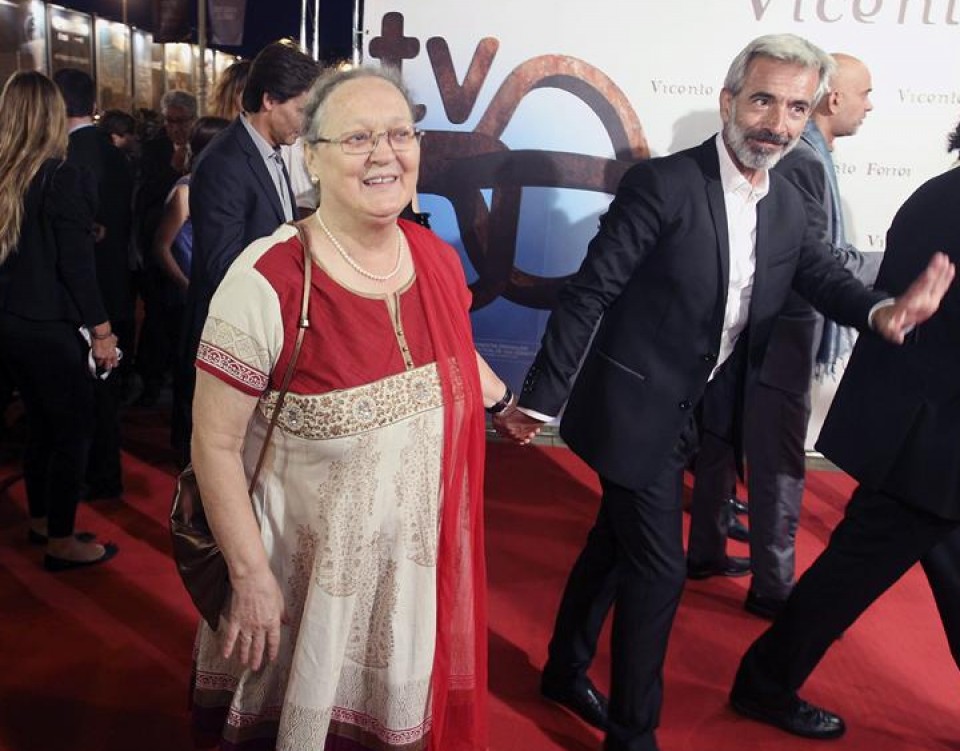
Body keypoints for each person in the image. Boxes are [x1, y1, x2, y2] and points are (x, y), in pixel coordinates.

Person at [493, 34, 954, 751]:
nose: (777, 121)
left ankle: (563, 668)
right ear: (729, 100)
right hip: (630, 407)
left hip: (698, 412)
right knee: (657, 567)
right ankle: (633, 734)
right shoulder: (665, 185)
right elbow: (590, 293)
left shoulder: (790, 201)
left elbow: (824, 277)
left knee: (613, 546)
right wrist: (540, 399)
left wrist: (881, 313)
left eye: (796, 107)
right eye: (764, 98)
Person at [189, 65, 501, 751]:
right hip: (298, 598)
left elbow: (455, 361)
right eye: (357, 138)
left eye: (399, 134)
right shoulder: (267, 280)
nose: (385, 154)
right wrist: (249, 577)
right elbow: (212, 445)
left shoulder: (436, 261)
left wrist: (509, 399)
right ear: (312, 156)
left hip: (408, 593)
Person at [732, 164, 960, 741]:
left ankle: (765, 679)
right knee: (852, 571)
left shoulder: (941, 189)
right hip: (930, 443)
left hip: (925, 435)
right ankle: (765, 681)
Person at [686, 53, 883, 619]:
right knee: (775, 466)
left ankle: (705, 553)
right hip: (776, 337)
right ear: (833, 98)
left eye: (794, 105)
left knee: (720, 445)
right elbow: (816, 262)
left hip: (755, 332)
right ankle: (773, 587)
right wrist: (882, 271)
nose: (871, 105)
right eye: (865, 93)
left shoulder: (807, 155)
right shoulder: (802, 160)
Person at [177, 40, 320, 460]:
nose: (306, 122)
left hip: (261, 331)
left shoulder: (271, 154)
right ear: (269, 99)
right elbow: (222, 264)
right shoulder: (224, 162)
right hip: (233, 336)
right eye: (301, 109)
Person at [0, 71, 120, 569]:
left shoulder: (9, 176)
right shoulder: (62, 176)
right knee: (71, 430)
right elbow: (76, 268)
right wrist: (103, 332)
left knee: (40, 427)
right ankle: (62, 539)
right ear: (51, 115)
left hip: (9, 323)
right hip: (51, 328)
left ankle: (43, 520)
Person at [54, 67, 135, 501]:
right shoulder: (112, 154)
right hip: (115, 283)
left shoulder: (69, 159)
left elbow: (80, 241)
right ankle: (105, 474)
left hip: (87, 295)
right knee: (104, 395)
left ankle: (98, 476)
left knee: (86, 397)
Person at [153, 115, 229, 457]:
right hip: (188, 297)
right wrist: (185, 285)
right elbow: (161, 246)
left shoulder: (216, 186)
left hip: (212, 295)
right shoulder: (185, 190)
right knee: (190, 378)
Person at [134, 89, 197, 407]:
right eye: (169, 121)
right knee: (158, 321)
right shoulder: (153, 150)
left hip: (191, 248)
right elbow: (145, 196)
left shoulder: (202, 147)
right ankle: (151, 382)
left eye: (181, 121)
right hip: (162, 243)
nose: (175, 127)